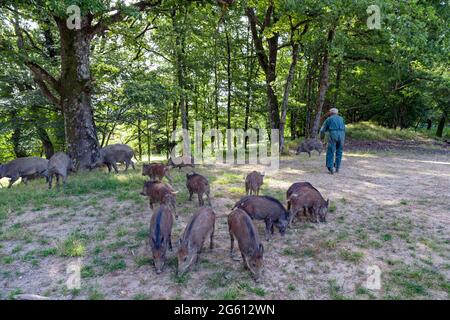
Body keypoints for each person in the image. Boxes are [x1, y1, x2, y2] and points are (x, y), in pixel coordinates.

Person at [319, 107, 346, 174]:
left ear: (330, 113)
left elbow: (322, 130)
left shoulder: (329, 119)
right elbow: (344, 128)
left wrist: (321, 138)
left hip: (333, 135)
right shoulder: (341, 118)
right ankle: (337, 168)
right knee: (339, 151)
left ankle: (330, 168)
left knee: (331, 151)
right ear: (337, 113)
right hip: (342, 135)